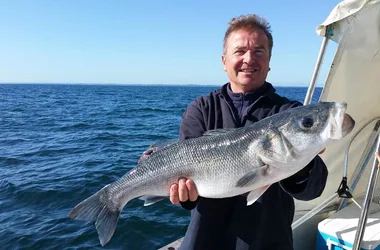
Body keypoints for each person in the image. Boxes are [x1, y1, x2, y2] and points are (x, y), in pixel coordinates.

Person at [165, 14, 329, 250]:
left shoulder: (291, 113)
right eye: (239, 51)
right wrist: (184, 196)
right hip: (204, 242)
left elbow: (312, 190)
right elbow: (186, 189)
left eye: (259, 51)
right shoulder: (201, 108)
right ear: (224, 60)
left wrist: (304, 163)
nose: (249, 59)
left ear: (270, 61)